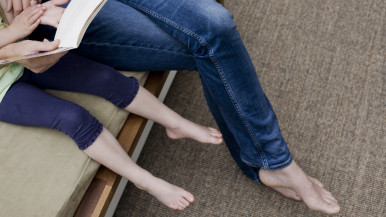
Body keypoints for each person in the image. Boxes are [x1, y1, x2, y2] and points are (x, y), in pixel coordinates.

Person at [3, 0, 341, 214]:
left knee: (215, 31)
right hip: (47, 17)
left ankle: (269, 161)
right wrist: (13, 43)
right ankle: (276, 162)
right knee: (214, 33)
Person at [0, 2, 224, 210]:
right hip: (5, 90)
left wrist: (31, 17)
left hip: (19, 55)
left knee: (104, 78)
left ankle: (177, 124)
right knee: (73, 117)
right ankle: (146, 181)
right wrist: (12, 37)